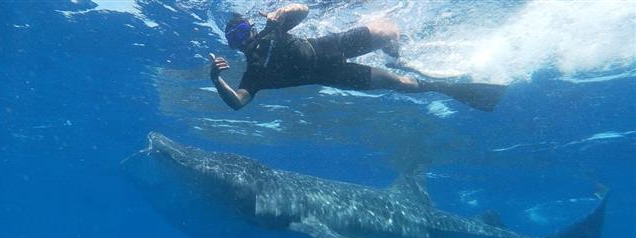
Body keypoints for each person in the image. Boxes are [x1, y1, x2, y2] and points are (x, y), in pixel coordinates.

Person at [209, 3, 505, 111]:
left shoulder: (273, 29)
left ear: (252, 27)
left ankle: (396, 57)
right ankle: (453, 90)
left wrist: (284, 11)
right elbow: (238, 103)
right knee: (401, 85)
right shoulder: (254, 75)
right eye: (236, 38)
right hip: (335, 76)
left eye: (245, 30)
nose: (244, 39)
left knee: (389, 30)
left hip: (330, 46)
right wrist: (216, 80)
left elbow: (303, 10)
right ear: (233, 46)